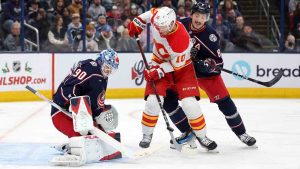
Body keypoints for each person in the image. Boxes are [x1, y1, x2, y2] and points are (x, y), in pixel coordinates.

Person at [164, 1, 257, 148]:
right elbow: (166, 42)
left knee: (226, 104)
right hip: (184, 72)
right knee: (168, 101)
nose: (199, 19)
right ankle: (189, 133)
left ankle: (242, 133)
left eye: (203, 16)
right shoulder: (180, 25)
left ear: (207, 18)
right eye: (197, 15)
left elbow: (218, 64)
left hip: (205, 75)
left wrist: (207, 65)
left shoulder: (210, 36)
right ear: (191, 14)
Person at [128, 4, 217, 151]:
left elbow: (175, 65)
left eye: (162, 27)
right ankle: (147, 135)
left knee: (190, 104)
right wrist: (138, 22)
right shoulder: (160, 17)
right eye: (157, 25)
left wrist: (157, 71)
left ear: (171, 25)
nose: (158, 29)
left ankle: (202, 136)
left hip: (182, 68)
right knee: (152, 101)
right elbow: (149, 14)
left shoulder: (180, 39)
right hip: (159, 62)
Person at [51, 49, 121, 165]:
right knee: (83, 136)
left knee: (94, 134)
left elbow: (94, 101)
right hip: (60, 113)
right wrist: (71, 102)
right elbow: (68, 87)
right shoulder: (93, 72)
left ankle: (69, 146)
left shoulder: (98, 73)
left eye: (111, 69)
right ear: (100, 61)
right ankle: (71, 149)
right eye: (107, 67)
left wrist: (98, 117)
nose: (108, 71)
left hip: (81, 114)